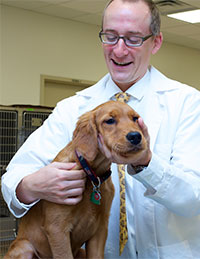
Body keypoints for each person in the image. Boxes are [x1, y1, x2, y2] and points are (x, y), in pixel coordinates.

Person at [2, 0, 200, 258]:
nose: (119, 51)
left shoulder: (187, 103)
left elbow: (194, 196)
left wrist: (146, 163)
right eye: (111, 36)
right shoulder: (73, 108)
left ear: (156, 42)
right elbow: (13, 176)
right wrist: (32, 185)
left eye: (133, 39)